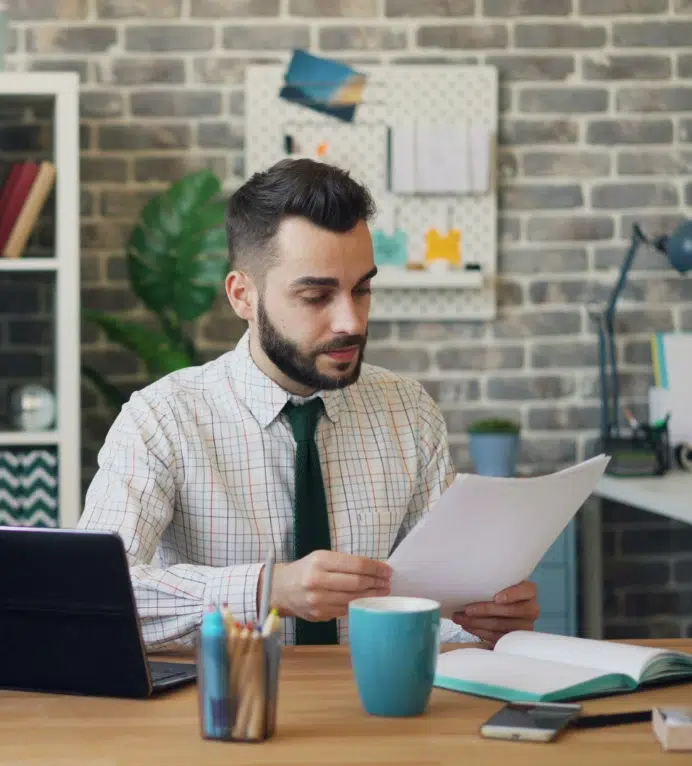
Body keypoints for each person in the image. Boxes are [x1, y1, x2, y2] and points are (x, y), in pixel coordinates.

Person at [77, 158, 539, 650]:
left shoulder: (409, 412)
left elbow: (435, 600)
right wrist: (266, 589)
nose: (352, 322)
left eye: (361, 289)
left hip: (376, 706)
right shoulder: (162, 418)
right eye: (317, 296)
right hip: (220, 711)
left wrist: (481, 618)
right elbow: (90, 592)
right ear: (243, 297)